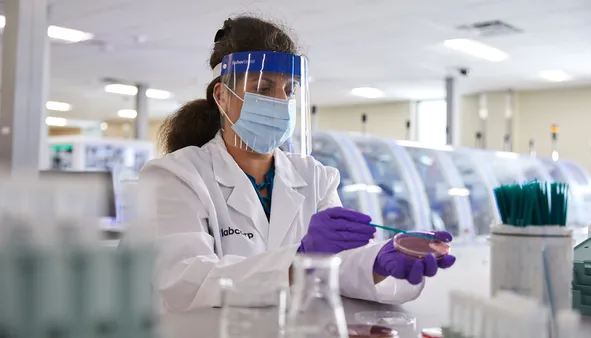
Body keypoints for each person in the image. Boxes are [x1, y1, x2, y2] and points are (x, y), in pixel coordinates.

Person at [135, 15, 456, 312]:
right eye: (263, 88)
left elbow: (338, 267)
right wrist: (299, 257)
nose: (280, 102)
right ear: (222, 96)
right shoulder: (175, 176)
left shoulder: (315, 176)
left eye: (290, 90)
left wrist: (377, 262)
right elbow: (184, 281)